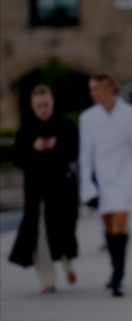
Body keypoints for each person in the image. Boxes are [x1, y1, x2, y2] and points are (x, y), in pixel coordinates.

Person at [79, 74, 132, 297]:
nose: (92, 93)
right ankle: (114, 269)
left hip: (126, 177)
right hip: (103, 179)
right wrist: (87, 185)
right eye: (91, 89)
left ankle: (118, 276)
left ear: (109, 89)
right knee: (109, 226)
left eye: (96, 88)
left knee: (120, 223)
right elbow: (86, 154)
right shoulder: (87, 118)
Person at [8, 84, 79, 293]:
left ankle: (67, 263)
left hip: (62, 191)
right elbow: (17, 159)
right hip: (36, 192)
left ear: (52, 102)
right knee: (39, 233)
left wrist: (54, 147)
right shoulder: (26, 129)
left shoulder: (66, 126)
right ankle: (47, 278)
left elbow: (73, 154)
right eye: (39, 105)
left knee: (64, 231)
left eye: (46, 104)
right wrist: (35, 148)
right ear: (32, 106)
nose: (43, 109)